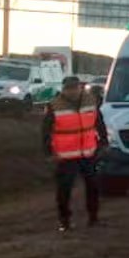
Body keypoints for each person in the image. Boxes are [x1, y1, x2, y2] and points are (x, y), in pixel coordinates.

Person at [42, 76, 107, 232]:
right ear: (64, 89)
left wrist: (104, 142)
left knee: (93, 186)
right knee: (64, 189)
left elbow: (99, 123)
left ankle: (94, 218)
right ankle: (64, 221)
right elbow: (45, 130)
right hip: (66, 156)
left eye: (75, 88)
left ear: (80, 88)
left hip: (88, 152)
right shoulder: (54, 105)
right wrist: (48, 152)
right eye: (69, 88)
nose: (72, 91)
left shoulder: (91, 101)